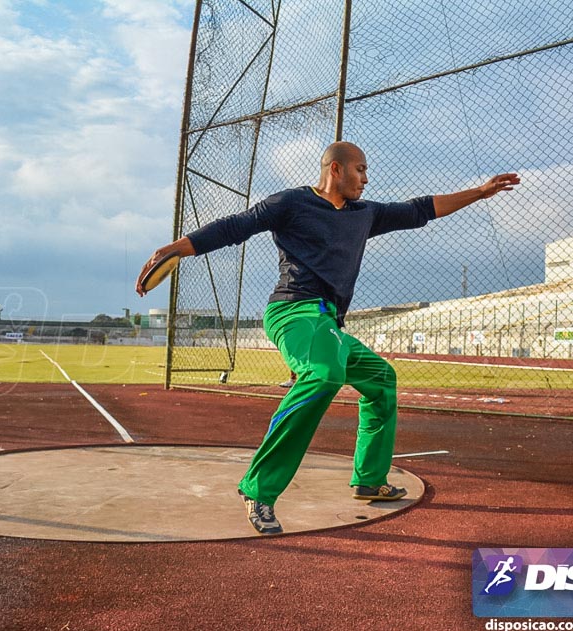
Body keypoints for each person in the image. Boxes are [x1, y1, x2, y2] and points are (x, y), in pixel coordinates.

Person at [137, 141, 519, 534]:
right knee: (323, 375)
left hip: (329, 325)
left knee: (382, 380)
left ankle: (369, 479)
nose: (366, 180)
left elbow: (421, 209)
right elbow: (235, 227)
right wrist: (176, 248)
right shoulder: (291, 203)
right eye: (361, 170)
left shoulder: (365, 215)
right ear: (335, 170)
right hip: (293, 311)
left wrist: (481, 191)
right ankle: (259, 489)